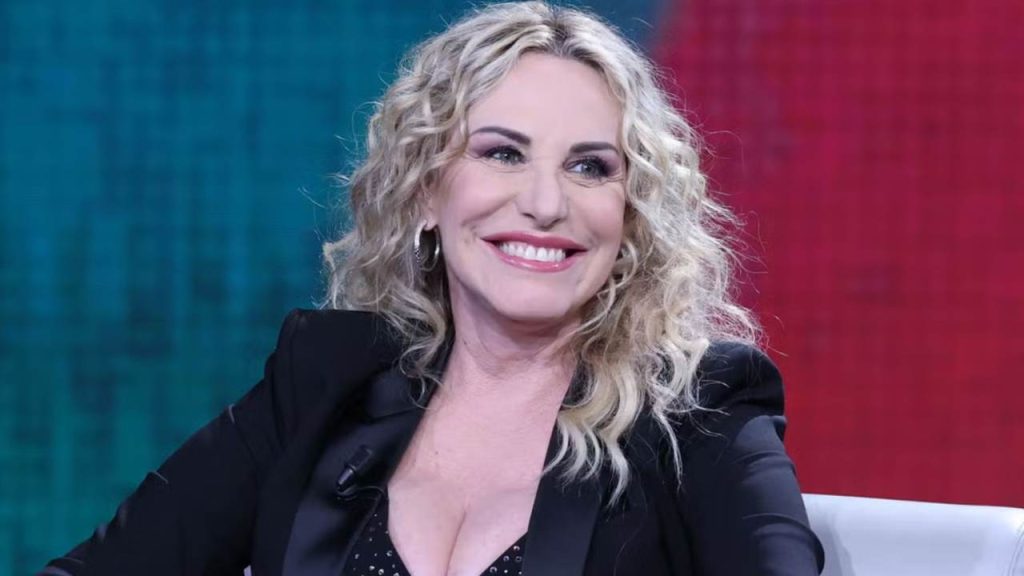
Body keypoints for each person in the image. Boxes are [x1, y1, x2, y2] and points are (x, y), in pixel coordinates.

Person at [40, 2, 824, 575]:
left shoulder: (701, 410)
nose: (545, 203)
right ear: (425, 192)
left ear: (630, 217)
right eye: (502, 153)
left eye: (590, 167)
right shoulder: (324, 380)